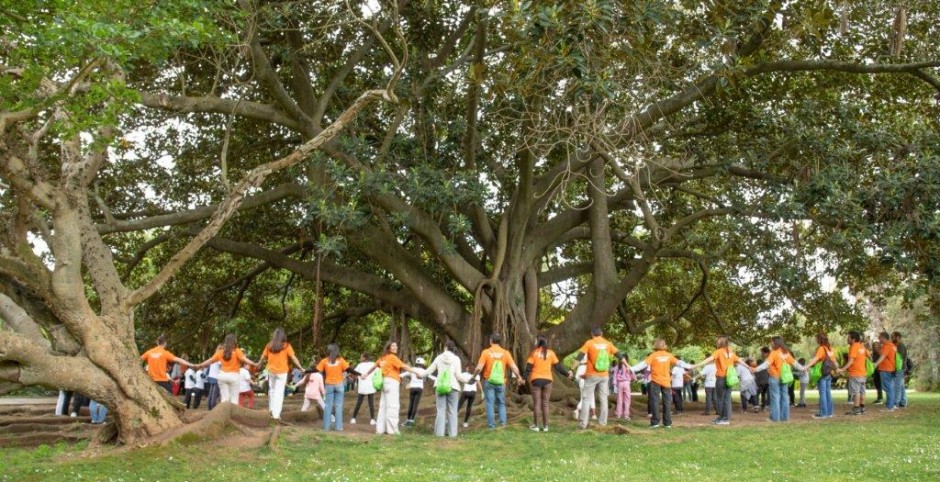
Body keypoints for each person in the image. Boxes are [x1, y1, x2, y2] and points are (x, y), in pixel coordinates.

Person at [568, 327, 625, 429]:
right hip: (604, 376)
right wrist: (627, 365)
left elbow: (579, 357)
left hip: (592, 375)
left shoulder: (590, 343)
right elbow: (619, 355)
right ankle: (603, 423)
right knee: (604, 399)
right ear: (601, 333)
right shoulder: (608, 343)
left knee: (586, 399)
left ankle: (582, 424)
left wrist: (571, 369)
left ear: (592, 334)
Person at [630, 339, 693, 428]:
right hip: (666, 382)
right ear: (665, 345)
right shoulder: (668, 355)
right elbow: (679, 363)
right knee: (667, 402)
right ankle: (667, 423)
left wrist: (631, 369)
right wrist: (690, 366)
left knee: (654, 402)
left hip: (655, 382)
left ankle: (655, 422)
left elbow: (643, 364)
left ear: (655, 345)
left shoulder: (653, 355)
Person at [364, 341, 420, 435]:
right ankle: (392, 430)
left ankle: (380, 429)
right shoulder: (392, 357)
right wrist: (416, 372)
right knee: (393, 406)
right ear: (389, 348)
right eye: (393, 346)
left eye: (396, 346)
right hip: (392, 382)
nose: (396, 347)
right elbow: (404, 366)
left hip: (384, 383)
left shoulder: (382, 358)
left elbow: (374, 367)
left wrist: (366, 374)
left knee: (383, 406)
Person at [694, 336, 750, 425]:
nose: (716, 343)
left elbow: (709, 359)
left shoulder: (719, 351)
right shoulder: (730, 352)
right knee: (727, 399)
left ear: (720, 343)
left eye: (717, 341)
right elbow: (739, 360)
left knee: (720, 399)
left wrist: (697, 365)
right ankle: (725, 418)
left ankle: (723, 418)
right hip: (729, 379)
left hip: (721, 378)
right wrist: (749, 367)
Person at [473, 334, 523, 429]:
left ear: (491, 341)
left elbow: (479, 367)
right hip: (501, 382)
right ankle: (503, 424)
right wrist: (519, 377)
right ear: (499, 341)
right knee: (501, 403)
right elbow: (514, 367)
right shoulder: (505, 353)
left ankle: (491, 426)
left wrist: (473, 376)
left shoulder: (486, 352)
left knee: (490, 403)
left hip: (489, 381)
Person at [522, 335, 570, 432]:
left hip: (536, 380)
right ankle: (546, 427)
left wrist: (524, 378)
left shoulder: (534, 353)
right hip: (548, 380)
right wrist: (567, 374)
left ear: (538, 342)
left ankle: (536, 425)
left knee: (537, 403)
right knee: (545, 403)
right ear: (546, 342)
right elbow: (558, 367)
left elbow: (528, 368)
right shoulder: (551, 353)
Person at [194, 334, 258, 405]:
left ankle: (224, 415)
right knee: (234, 399)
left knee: (224, 399)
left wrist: (200, 365)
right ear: (234, 341)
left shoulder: (220, 352)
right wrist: (254, 364)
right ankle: (232, 415)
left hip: (222, 376)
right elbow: (244, 359)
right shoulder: (237, 351)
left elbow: (211, 360)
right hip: (234, 376)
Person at [753, 336, 805, 422]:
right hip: (784, 378)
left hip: (775, 377)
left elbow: (766, 364)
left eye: (772, 342)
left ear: (776, 343)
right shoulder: (786, 353)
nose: (771, 343)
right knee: (785, 397)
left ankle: (774, 418)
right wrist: (803, 368)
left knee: (775, 397)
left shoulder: (774, 353)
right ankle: (784, 418)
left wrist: (756, 369)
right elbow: (795, 363)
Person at [257, 328, 303, 420]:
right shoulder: (286, 346)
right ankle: (276, 415)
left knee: (272, 391)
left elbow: (262, 358)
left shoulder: (269, 346)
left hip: (272, 372)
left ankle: (271, 411)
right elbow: (293, 358)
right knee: (279, 393)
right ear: (283, 336)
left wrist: (258, 364)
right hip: (282, 373)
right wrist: (301, 367)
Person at [426, 340, 464, 437]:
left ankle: (439, 434)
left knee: (441, 410)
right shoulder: (456, 359)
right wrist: (469, 380)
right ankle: (453, 434)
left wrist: (418, 373)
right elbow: (459, 376)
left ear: (445, 347)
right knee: (452, 411)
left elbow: (429, 371)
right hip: (453, 386)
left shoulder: (439, 358)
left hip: (440, 386)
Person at [317, 343, 358, 431]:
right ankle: (339, 427)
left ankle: (326, 427)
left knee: (328, 405)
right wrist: (359, 374)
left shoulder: (324, 361)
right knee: (339, 406)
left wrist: (306, 371)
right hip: (339, 385)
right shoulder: (341, 360)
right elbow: (349, 369)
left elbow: (318, 370)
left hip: (329, 385)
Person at [804, 333, 837, 419]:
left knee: (822, 393)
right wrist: (837, 370)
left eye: (817, 339)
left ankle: (823, 414)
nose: (816, 340)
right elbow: (834, 361)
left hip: (822, 373)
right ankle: (830, 413)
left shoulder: (821, 348)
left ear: (820, 340)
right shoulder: (830, 349)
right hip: (829, 373)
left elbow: (816, 359)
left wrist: (807, 366)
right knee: (828, 393)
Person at [837, 331, 868, 416]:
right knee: (862, 391)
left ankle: (856, 409)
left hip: (855, 373)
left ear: (853, 339)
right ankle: (862, 408)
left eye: (848, 338)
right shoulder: (862, 346)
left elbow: (851, 361)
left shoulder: (853, 347)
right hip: (863, 373)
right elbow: (868, 356)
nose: (847, 339)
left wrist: (842, 369)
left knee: (856, 392)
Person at [870, 331, 899, 411]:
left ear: (883, 337)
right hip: (891, 369)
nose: (879, 339)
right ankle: (891, 404)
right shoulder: (892, 345)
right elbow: (886, 355)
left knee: (888, 387)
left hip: (886, 369)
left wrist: (875, 364)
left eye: (879, 337)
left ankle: (890, 407)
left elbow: (883, 356)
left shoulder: (887, 346)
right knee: (890, 387)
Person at [351, 352, 377, 425]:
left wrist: (356, 377)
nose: (360, 358)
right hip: (371, 387)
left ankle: (353, 418)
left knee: (359, 403)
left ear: (364, 358)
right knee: (371, 403)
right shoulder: (373, 364)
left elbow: (354, 373)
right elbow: (377, 372)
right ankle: (372, 420)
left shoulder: (359, 365)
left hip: (362, 387)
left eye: (361, 357)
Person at [401, 357, 428, 427]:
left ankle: (407, 420)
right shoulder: (424, 371)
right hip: (419, 388)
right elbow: (429, 377)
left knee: (411, 404)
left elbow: (403, 375)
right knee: (415, 404)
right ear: (422, 364)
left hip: (412, 388)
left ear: (416, 363)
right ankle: (411, 421)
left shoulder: (412, 369)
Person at [457, 364, 480, 428]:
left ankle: (450, 419)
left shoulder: (464, 374)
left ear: (468, 368)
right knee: (469, 407)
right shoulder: (477, 375)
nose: (466, 368)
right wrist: (482, 391)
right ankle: (465, 422)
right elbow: (478, 383)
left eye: (467, 367)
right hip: (473, 393)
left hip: (465, 392)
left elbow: (458, 378)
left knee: (459, 405)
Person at [892, 331, 909, 408]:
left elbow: (899, 358)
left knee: (897, 386)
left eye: (893, 337)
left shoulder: (900, 346)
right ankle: (903, 401)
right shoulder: (897, 345)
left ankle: (896, 403)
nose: (892, 338)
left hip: (900, 368)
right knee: (901, 386)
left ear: (898, 337)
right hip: (900, 368)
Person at [205, 345, 222, 410]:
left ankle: (209, 406)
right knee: (214, 394)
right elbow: (221, 367)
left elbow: (209, 367)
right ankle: (213, 407)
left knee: (211, 392)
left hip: (211, 376)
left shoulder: (213, 357)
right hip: (216, 377)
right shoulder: (219, 358)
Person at [754, 346, 770, 411]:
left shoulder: (757, 369)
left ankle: (756, 407)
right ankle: (763, 407)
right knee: (763, 395)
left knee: (757, 394)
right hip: (766, 383)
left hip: (760, 384)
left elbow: (755, 377)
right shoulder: (765, 368)